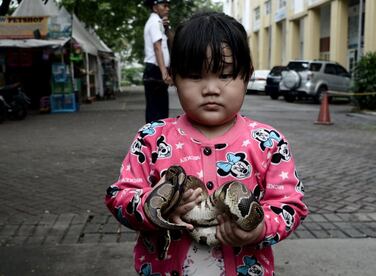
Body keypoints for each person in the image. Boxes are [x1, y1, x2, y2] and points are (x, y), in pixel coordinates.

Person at [105, 12, 308, 275]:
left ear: (246, 76)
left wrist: (260, 227)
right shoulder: (151, 139)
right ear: (173, 78)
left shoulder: (269, 143)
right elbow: (118, 197)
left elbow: (291, 205)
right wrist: (155, 205)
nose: (211, 88)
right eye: (195, 76)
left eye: (225, 75)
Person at [143, 0, 173, 123]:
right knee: (158, 112)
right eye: (164, 5)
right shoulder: (155, 22)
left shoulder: (159, 23)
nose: (167, 8)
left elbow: (171, 43)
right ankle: (154, 140)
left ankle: (155, 139)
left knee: (157, 109)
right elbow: (157, 47)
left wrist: (167, 28)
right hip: (156, 70)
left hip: (155, 70)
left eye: (168, 6)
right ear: (155, 8)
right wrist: (164, 73)